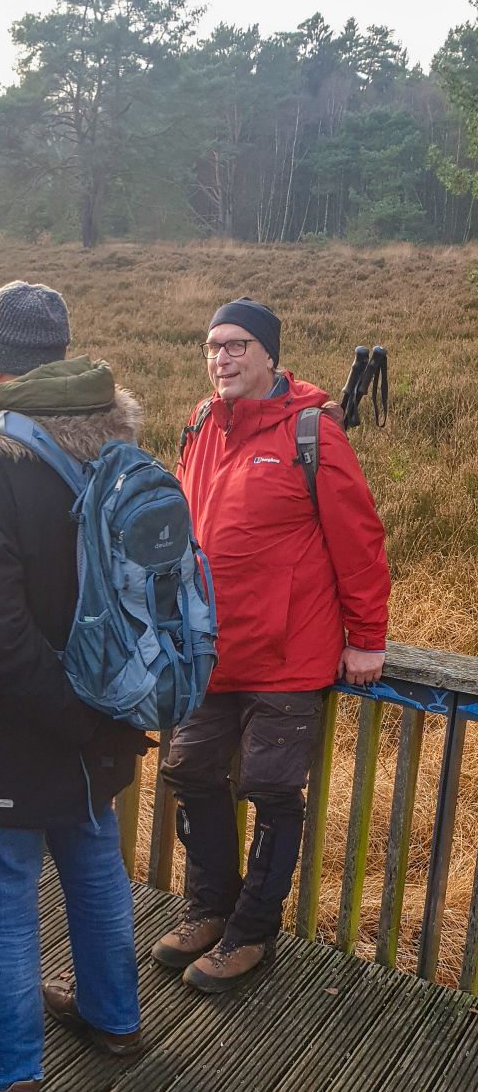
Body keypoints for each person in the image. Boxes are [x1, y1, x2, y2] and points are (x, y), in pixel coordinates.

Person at [0, 280, 152, 1092]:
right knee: (96, 867)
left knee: (3, 895)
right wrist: (95, 717)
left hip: (18, 725)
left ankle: (8, 1076)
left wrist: (66, 714)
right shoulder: (114, 434)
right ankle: (113, 1017)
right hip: (103, 711)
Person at [153, 299, 389, 991]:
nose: (220, 358)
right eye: (211, 347)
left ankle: (251, 931)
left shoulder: (311, 431)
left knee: (270, 788)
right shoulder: (201, 423)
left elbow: (360, 541)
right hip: (211, 649)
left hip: (289, 653)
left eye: (235, 345)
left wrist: (368, 639)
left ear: (268, 356)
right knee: (190, 771)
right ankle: (209, 908)